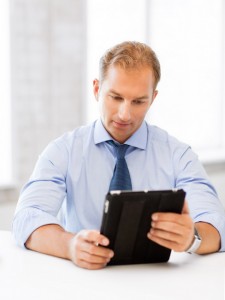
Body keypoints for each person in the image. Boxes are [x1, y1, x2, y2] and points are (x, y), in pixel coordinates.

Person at [13, 41, 225, 270]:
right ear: (96, 89)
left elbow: (217, 224)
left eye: (138, 101)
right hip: (84, 281)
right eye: (115, 97)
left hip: (157, 282)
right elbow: (27, 217)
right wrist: (70, 246)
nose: (124, 114)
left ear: (152, 98)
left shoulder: (178, 155)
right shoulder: (64, 150)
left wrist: (192, 237)